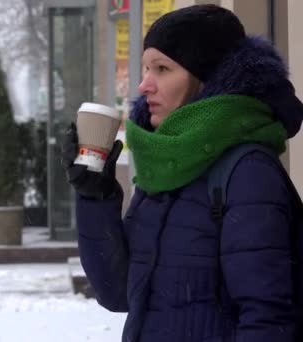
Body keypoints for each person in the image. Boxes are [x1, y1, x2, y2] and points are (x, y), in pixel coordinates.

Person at [61, 5, 303, 342]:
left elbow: (268, 318)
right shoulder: (166, 163)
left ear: (208, 78)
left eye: (162, 69)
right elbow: (118, 292)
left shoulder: (248, 174)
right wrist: (96, 197)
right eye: (145, 68)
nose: (144, 85)